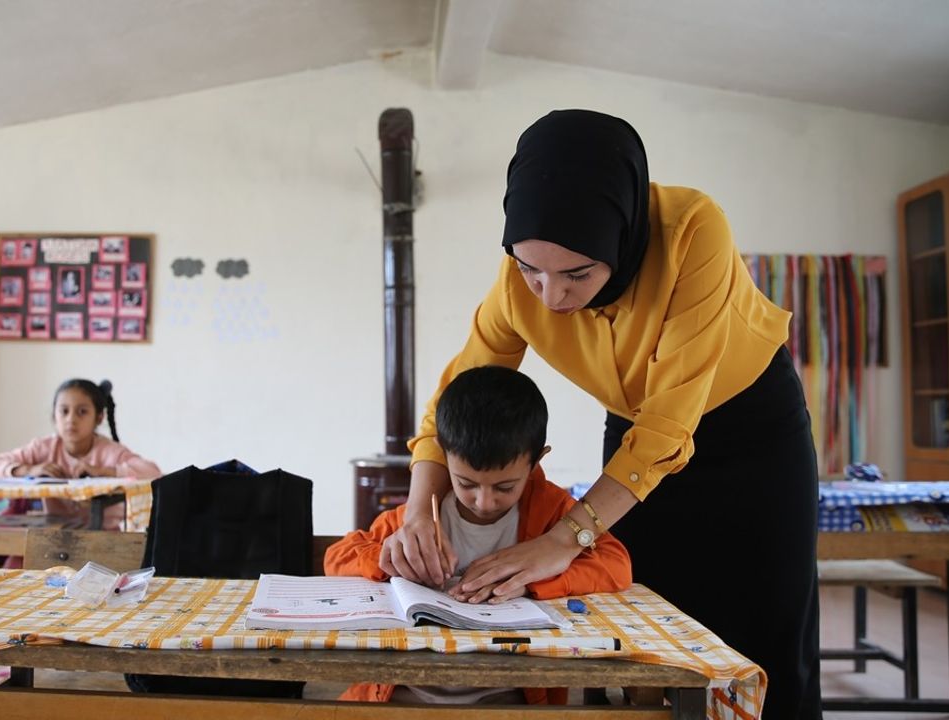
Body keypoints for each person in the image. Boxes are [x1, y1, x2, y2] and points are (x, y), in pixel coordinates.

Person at [381, 110, 820, 718]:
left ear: (622, 236)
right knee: (644, 628)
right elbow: (452, 404)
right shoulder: (518, 288)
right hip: (636, 438)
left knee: (766, 631)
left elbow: (670, 423)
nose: (552, 296)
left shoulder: (694, 230)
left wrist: (564, 539)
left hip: (750, 436)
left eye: (577, 273)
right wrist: (417, 514)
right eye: (531, 269)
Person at [325, 365, 632, 706]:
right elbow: (337, 556)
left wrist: (532, 581)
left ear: (536, 460)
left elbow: (616, 564)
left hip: (510, 700)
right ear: (442, 456)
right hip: (402, 696)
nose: (483, 501)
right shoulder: (426, 510)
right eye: (466, 483)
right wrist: (388, 558)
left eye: (505, 486)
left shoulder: (550, 510)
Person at [0, 378, 161, 529]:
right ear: (54, 416)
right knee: (13, 565)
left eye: (82, 412)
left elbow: (153, 473)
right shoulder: (43, 448)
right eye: (64, 411)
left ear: (98, 417)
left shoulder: (109, 451)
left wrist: (103, 471)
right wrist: (28, 470)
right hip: (54, 535)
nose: (71, 420)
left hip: (104, 537)